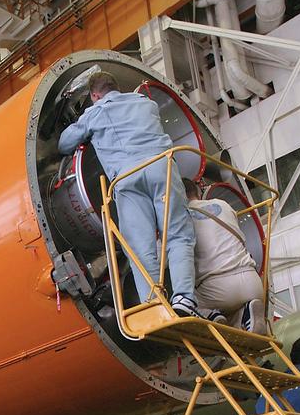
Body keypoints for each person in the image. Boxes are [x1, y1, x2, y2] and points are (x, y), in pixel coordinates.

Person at [57, 71, 197, 315]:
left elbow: (64, 144)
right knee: (177, 235)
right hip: (161, 169)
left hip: (126, 179)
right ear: (116, 87)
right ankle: (184, 299)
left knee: (139, 246)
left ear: (95, 95)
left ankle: (154, 304)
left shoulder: (96, 112)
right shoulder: (147, 104)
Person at [183, 179, 266, 333]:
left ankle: (211, 315)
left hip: (218, 289)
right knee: (232, 317)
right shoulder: (223, 204)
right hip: (253, 281)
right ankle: (245, 313)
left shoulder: (180, 216)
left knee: (182, 303)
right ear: (199, 193)